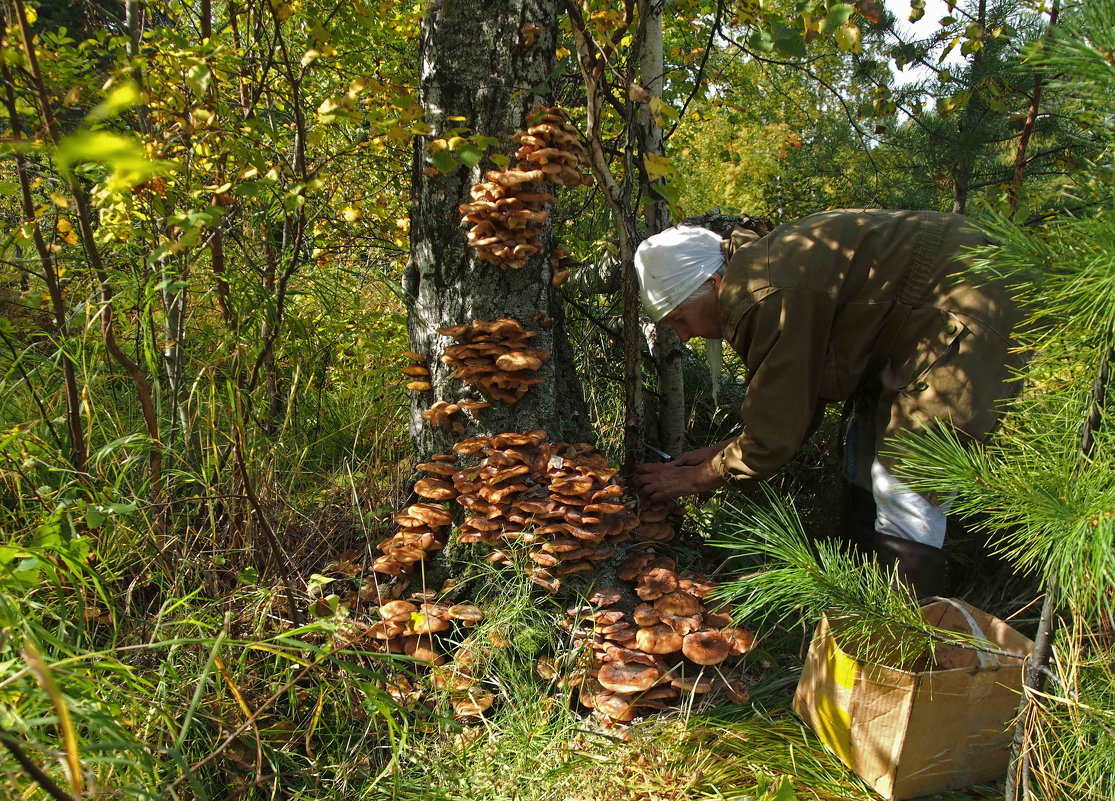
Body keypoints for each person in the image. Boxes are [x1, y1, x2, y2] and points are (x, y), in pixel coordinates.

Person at [632, 209, 1023, 598]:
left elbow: (777, 430)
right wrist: (717, 455)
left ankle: (904, 630)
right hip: (929, 311)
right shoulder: (761, 268)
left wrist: (698, 477)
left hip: (968, 305)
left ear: (714, 283)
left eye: (680, 319)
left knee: (906, 478)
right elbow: (796, 399)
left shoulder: (761, 292)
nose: (682, 337)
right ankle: (864, 595)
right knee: (866, 455)